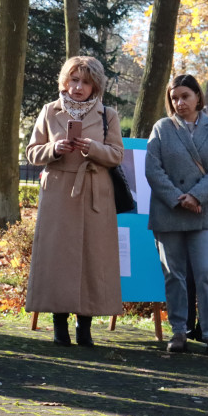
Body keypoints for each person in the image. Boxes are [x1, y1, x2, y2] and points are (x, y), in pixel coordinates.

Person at [24, 56, 125, 347]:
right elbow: (32, 152)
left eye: (86, 82)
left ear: (96, 86)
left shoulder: (108, 115)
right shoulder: (49, 111)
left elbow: (117, 155)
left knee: (93, 258)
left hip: (95, 191)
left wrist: (93, 148)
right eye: (74, 80)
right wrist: (55, 148)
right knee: (58, 258)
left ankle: (85, 326)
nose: (79, 87)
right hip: (58, 191)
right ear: (65, 82)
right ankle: (59, 325)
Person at [145, 74, 208, 357]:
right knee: (174, 274)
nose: (179, 103)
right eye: (174, 98)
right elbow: (153, 169)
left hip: (203, 212)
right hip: (169, 210)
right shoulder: (161, 128)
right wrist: (178, 199)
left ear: (197, 98)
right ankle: (179, 331)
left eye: (185, 96)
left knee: (207, 272)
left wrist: (196, 196)